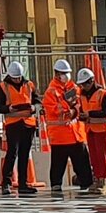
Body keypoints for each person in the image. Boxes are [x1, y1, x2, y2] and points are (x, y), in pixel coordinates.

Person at [41, 58, 93, 196]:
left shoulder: (74, 88)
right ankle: (56, 187)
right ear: (57, 74)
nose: (66, 75)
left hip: (76, 134)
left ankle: (86, 184)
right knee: (58, 165)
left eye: (68, 72)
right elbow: (54, 110)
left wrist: (74, 110)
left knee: (82, 164)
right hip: (60, 136)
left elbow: (80, 104)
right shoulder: (51, 92)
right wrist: (68, 109)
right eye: (64, 73)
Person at [0, 61, 39, 195]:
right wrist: (9, 108)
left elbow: (38, 102)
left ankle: (23, 184)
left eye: (19, 77)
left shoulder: (29, 85)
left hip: (28, 123)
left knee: (24, 154)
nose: (17, 80)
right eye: (15, 78)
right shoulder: (3, 87)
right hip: (13, 124)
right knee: (12, 153)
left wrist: (33, 107)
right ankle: (6, 184)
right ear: (10, 76)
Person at [77, 67, 106, 196]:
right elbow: (81, 109)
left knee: (102, 156)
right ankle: (97, 179)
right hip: (89, 129)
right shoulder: (82, 95)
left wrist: (90, 114)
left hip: (101, 129)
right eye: (82, 84)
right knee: (94, 156)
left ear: (92, 81)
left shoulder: (102, 94)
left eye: (86, 83)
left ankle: (103, 180)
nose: (84, 86)